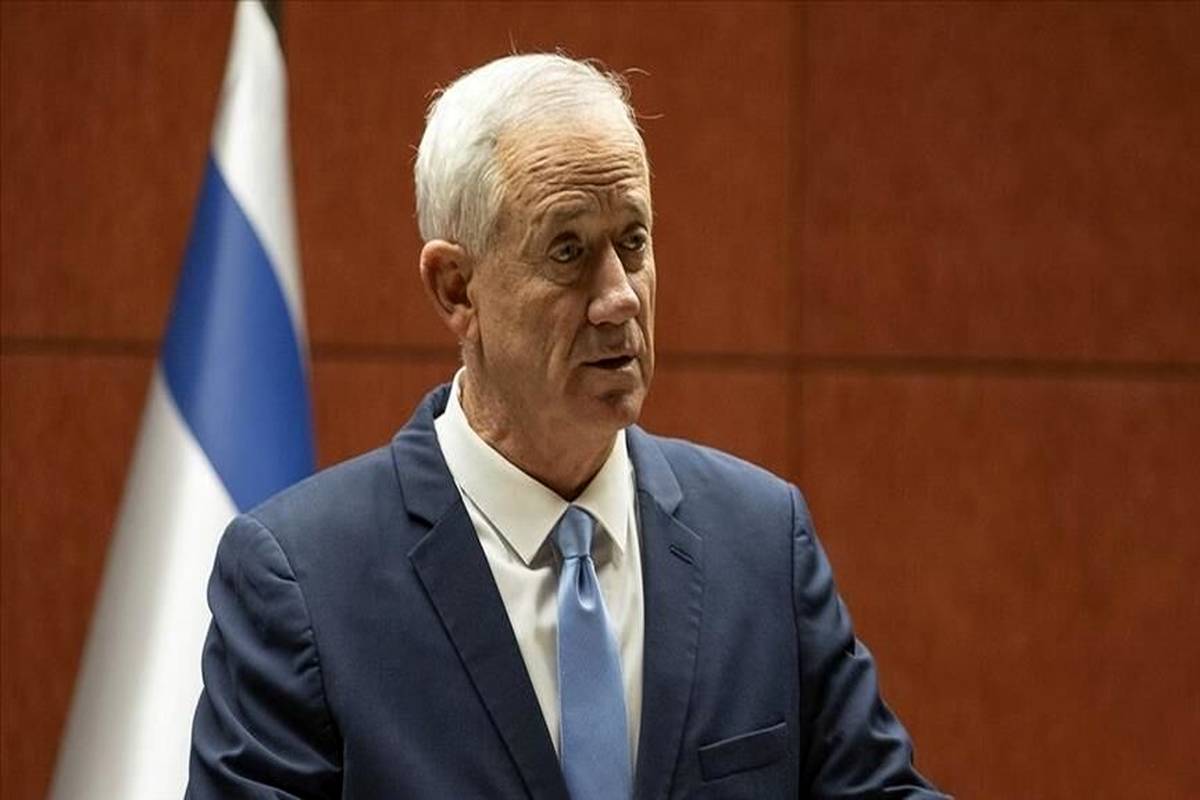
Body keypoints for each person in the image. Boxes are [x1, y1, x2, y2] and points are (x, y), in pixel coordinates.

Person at [186, 53, 946, 799]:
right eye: (568, 251)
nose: (619, 298)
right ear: (456, 289)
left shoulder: (760, 542)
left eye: (634, 242)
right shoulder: (303, 581)